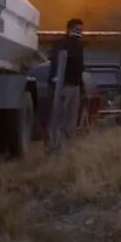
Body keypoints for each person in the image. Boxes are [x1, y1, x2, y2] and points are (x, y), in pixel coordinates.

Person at [48, 18, 85, 146]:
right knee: (60, 117)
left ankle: (69, 149)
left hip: (75, 86)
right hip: (63, 86)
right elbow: (55, 62)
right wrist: (55, 80)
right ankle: (55, 146)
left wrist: (81, 85)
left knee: (72, 118)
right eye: (77, 30)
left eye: (81, 30)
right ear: (69, 29)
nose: (80, 32)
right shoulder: (61, 44)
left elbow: (79, 66)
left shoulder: (79, 45)